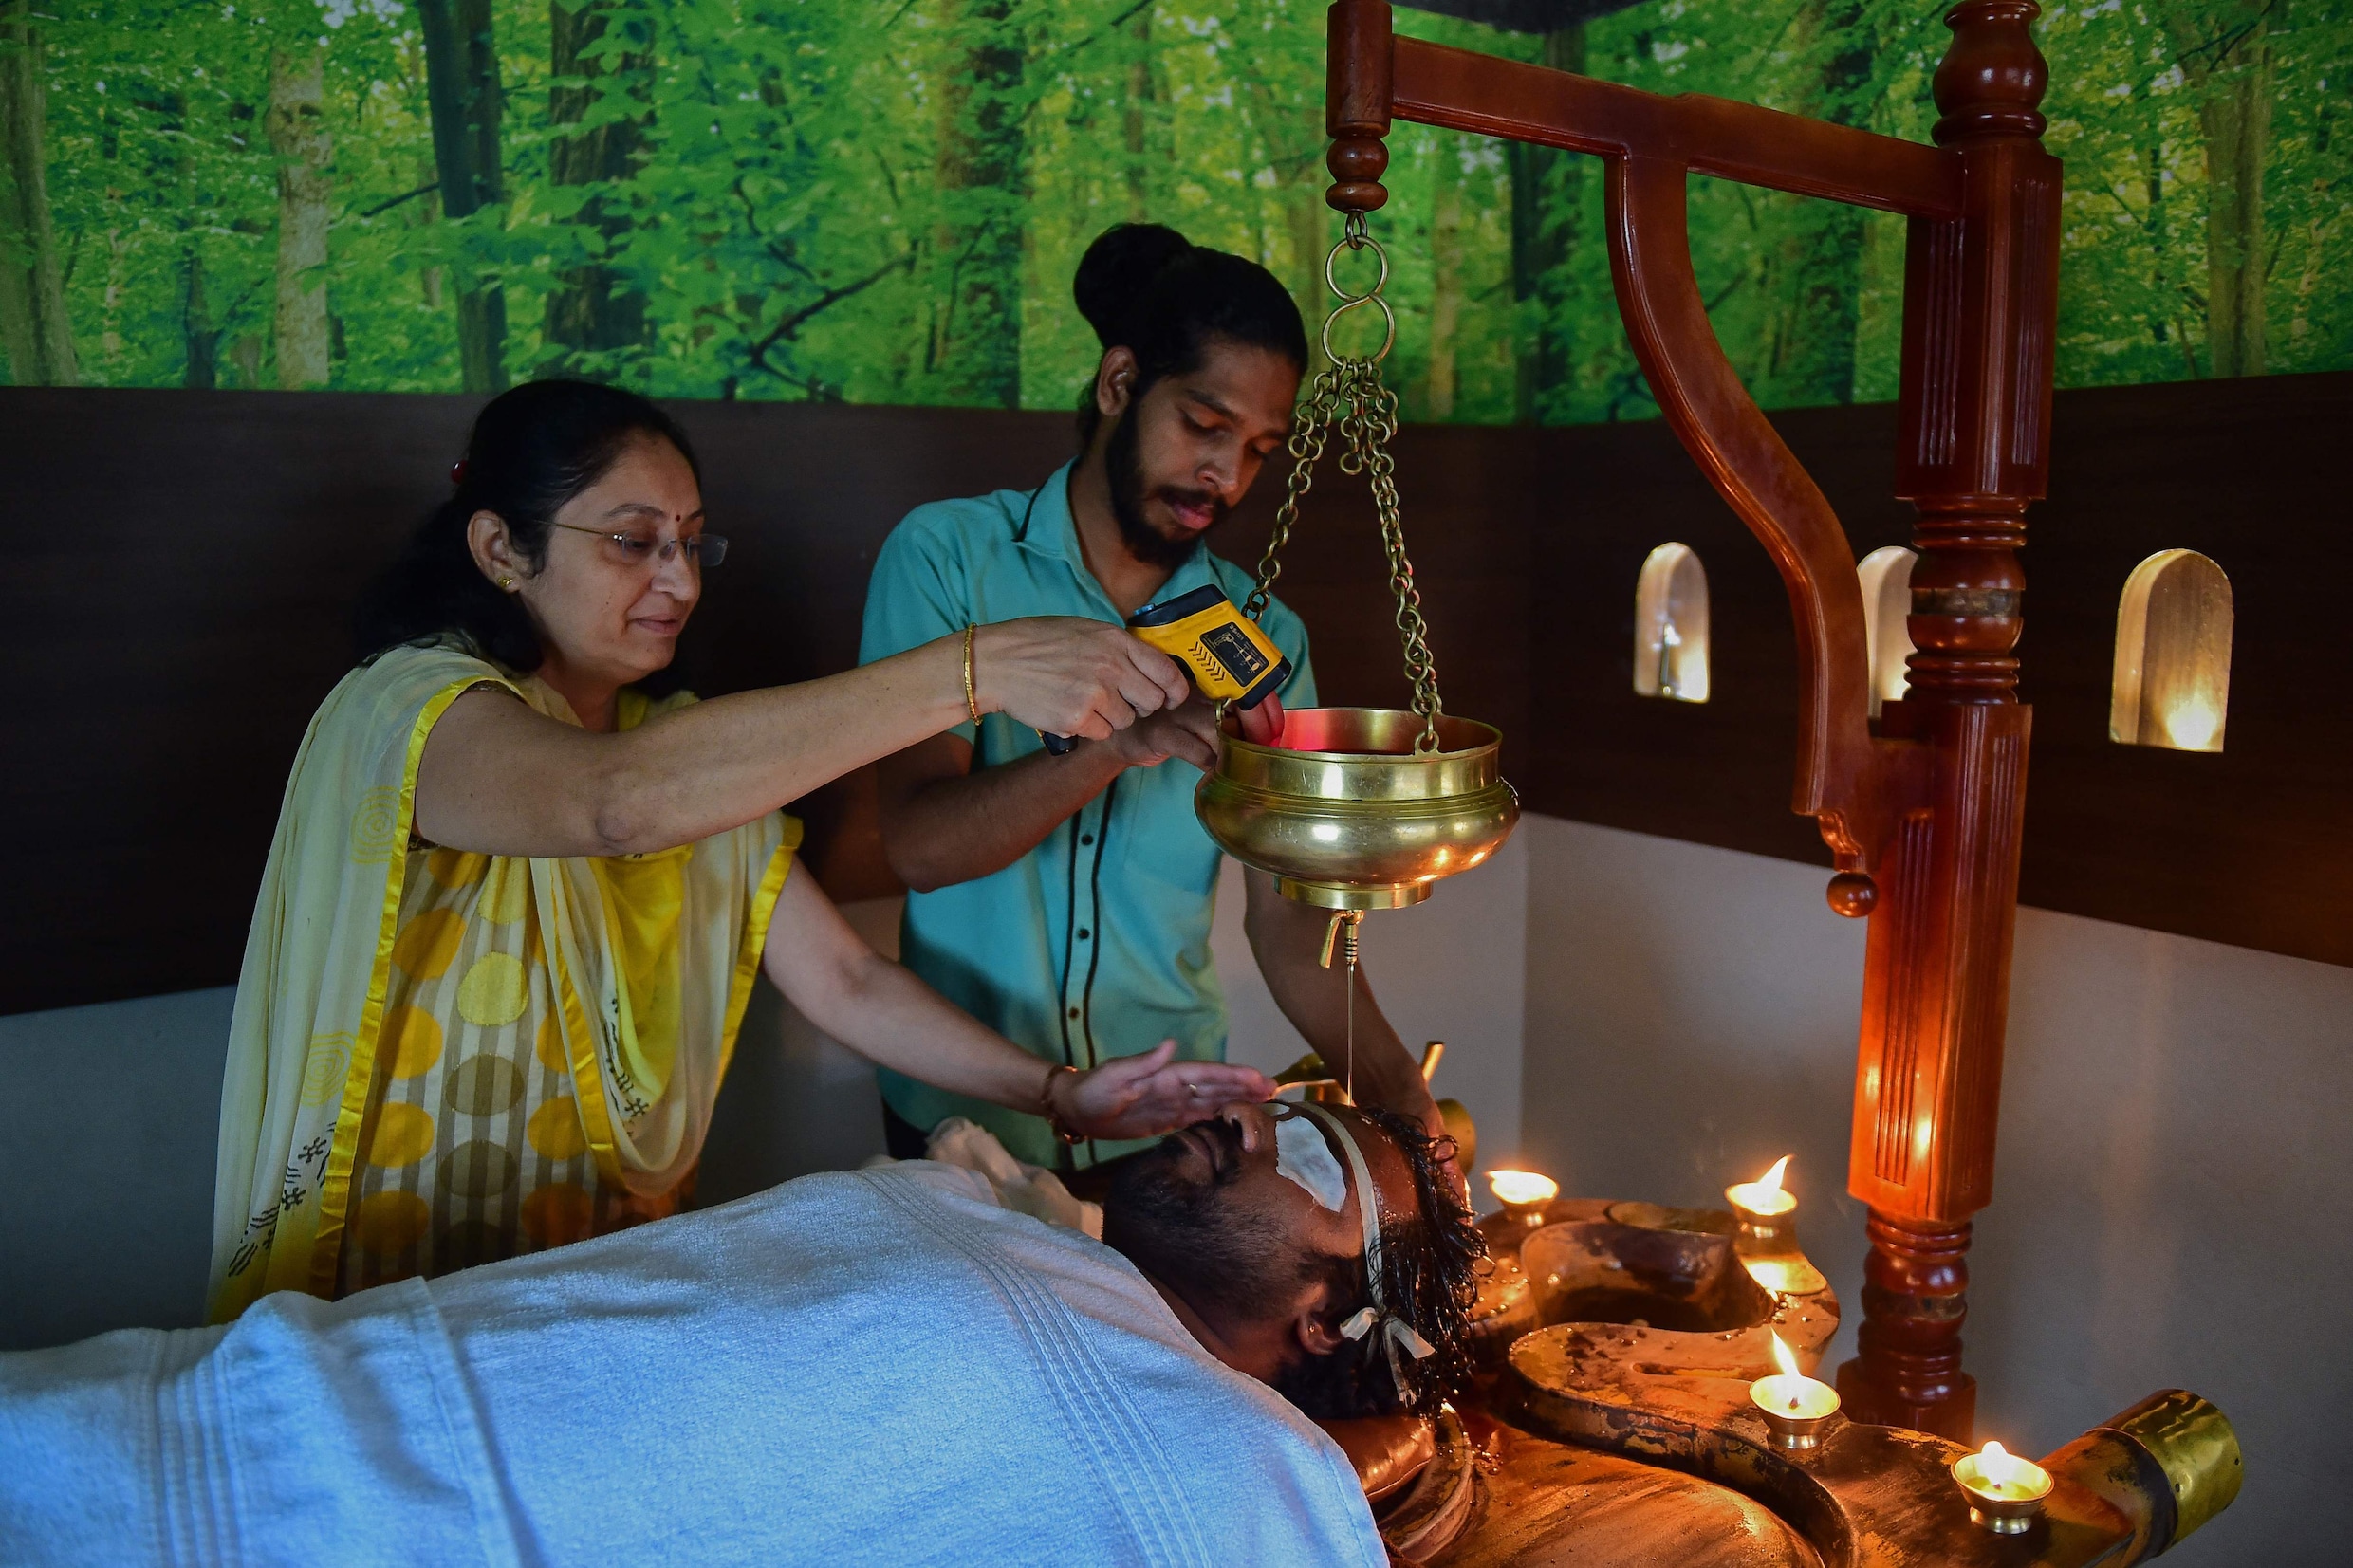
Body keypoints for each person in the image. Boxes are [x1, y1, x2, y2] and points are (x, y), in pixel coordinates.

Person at [208, 378, 1269, 1322]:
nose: (676, 579)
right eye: (632, 542)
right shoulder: (408, 707)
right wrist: (974, 669)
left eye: (690, 542)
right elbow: (616, 807)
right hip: (391, 1277)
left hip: (596, 1264)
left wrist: (1056, 1091)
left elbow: (847, 980)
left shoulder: (666, 738)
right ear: (499, 549)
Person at [2, 1101, 1485, 1567]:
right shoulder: (985, 1206)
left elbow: (1298, 1506)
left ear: (1322, 1318)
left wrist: (1386, 1427)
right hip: (223, 1417)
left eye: (1315, 1150)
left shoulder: (1218, 1456)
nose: (1248, 1113)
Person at [861, 224, 1436, 1172]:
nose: (1227, 475)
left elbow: (1287, 927)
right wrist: (1119, 745)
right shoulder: (948, 559)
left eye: (1258, 448)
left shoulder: (1267, 638)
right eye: (1204, 427)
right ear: (1119, 384)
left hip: (1168, 1123)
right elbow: (922, 847)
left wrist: (1393, 1084)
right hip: (965, 1122)